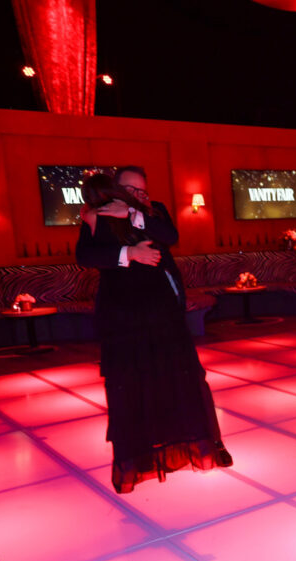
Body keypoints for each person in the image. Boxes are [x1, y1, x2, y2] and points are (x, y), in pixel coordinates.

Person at [76, 167, 231, 494]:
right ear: (117, 188)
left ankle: (202, 445)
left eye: (143, 191)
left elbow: (170, 236)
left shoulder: (151, 210)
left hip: (160, 305)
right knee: (133, 381)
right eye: (133, 190)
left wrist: (134, 213)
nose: (140, 195)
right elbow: (85, 255)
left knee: (182, 375)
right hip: (123, 311)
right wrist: (128, 254)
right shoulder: (94, 215)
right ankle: (140, 457)